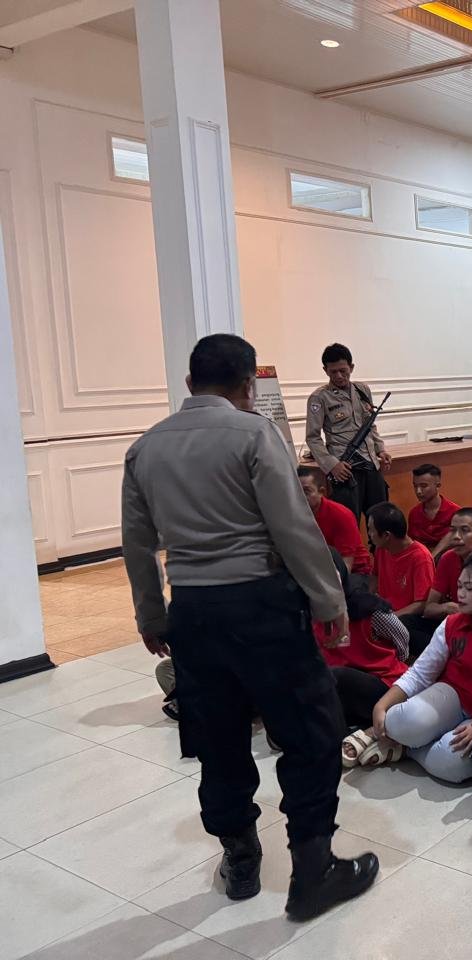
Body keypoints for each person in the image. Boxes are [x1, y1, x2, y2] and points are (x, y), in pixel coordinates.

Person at [122, 333, 376, 921]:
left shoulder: (144, 448)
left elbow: (136, 544)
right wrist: (328, 599)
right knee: (310, 733)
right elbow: (292, 526)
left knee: (218, 739)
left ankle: (240, 859)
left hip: (192, 611)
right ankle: (313, 871)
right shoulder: (255, 434)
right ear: (248, 386)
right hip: (261, 605)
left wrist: (151, 614)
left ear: (190, 383)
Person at [371, 553, 472, 782]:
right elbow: (421, 672)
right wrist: (381, 705)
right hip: (454, 695)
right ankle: (403, 738)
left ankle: (405, 748)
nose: (460, 594)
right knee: (398, 721)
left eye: (469, 588)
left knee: (450, 764)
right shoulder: (452, 622)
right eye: (459, 586)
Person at [315, 551, 411, 765]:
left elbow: (402, 637)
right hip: (340, 691)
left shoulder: (369, 609)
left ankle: (344, 736)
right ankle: (366, 729)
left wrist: (391, 660)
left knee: (337, 676)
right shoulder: (311, 612)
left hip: (383, 683)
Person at [305, 343, 390, 528]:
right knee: (348, 525)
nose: (339, 376)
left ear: (351, 367)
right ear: (325, 370)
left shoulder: (362, 390)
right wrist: (331, 465)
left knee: (381, 523)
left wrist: (381, 450)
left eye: (343, 370)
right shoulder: (319, 397)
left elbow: (370, 424)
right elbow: (312, 437)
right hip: (345, 470)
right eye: (333, 371)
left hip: (371, 464)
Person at [368, 502, 437, 656]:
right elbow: (374, 576)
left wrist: (390, 619)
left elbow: (422, 604)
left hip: (410, 620)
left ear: (386, 535)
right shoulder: (381, 549)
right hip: (386, 613)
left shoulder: (420, 557)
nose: (369, 535)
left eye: (371, 530)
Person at [297, 466, 372, 580]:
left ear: (321, 492)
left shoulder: (340, 514)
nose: (300, 497)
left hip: (355, 573)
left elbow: (346, 567)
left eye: (306, 491)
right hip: (318, 570)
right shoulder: (293, 514)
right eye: (296, 492)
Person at [407, 463, 459, 558]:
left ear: (438, 485)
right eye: (415, 486)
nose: (418, 491)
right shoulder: (414, 513)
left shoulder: (455, 512)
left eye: (423, 486)